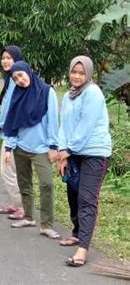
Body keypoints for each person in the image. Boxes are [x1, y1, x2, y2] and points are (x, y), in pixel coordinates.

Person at [57, 56, 112, 267]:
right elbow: (64, 126)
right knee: (72, 192)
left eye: (81, 73)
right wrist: (63, 149)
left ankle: (83, 249)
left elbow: (85, 126)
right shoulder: (68, 96)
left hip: (94, 153)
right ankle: (77, 232)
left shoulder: (93, 94)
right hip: (72, 152)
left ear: (88, 74)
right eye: (74, 72)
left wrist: (68, 150)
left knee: (87, 199)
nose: (77, 76)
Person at [2, 61, 60, 240]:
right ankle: (28, 217)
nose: (20, 80)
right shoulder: (17, 95)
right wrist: (9, 147)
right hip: (20, 147)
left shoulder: (46, 91)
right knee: (24, 183)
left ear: (29, 71)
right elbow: (12, 122)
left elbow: (53, 120)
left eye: (21, 75)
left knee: (47, 184)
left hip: (41, 148)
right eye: (15, 78)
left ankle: (47, 225)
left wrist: (53, 146)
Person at [0, 46, 24, 220]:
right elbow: (7, 104)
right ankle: (16, 203)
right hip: (10, 130)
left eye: (9, 58)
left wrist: (0, 125)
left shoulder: (15, 79)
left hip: (13, 133)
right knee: (12, 169)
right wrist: (0, 115)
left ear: (17, 60)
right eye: (3, 58)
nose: (5, 61)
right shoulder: (11, 78)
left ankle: (21, 206)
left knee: (8, 170)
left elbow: (14, 106)